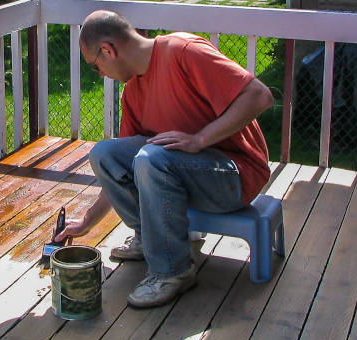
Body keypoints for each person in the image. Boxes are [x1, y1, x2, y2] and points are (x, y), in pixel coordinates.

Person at [55, 10, 274, 308]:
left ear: (108, 50)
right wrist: (88, 221)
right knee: (105, 154)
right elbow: (122, 172)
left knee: (152, 157)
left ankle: (173, 270)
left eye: (95, 66)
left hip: (235, 175)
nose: (101, 74)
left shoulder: (183, 51)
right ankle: (150, 240)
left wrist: (199, 140)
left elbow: (260, 96)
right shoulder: (132, 93)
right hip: (185, 177)